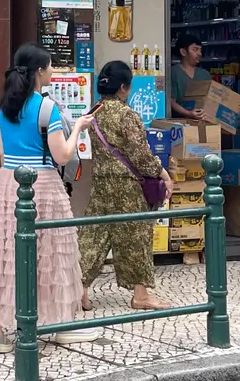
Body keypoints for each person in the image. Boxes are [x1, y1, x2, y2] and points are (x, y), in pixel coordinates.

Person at [0, 43, 98, 356]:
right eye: (50, 66)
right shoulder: (46, 108)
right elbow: (62, 155)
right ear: (39, 71)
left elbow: (2, 153)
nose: (52, 71)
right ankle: (60, 323)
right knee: (52, 254)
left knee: (3, 255)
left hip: (8, 184)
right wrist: (79, 127)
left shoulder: (3, 107)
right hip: (44, 185)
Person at [80, 61, 174, 312]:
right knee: (136, 239)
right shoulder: (127, 115)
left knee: (93, 235)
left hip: (101, 183)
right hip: (127, 187)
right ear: (124, 87)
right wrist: (164, 174)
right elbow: (141, 156)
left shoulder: (94, 111)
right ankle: (141, 295)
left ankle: (80, 290)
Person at [170, 34, 213, 120]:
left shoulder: (205, 74)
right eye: (195, 49)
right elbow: (170, 101)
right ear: (183, 52)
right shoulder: (173, 72)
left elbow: (212, 99)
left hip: (202, 121)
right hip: (179, 122)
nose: (199, 53)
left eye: (200, 50)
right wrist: (188, 113)